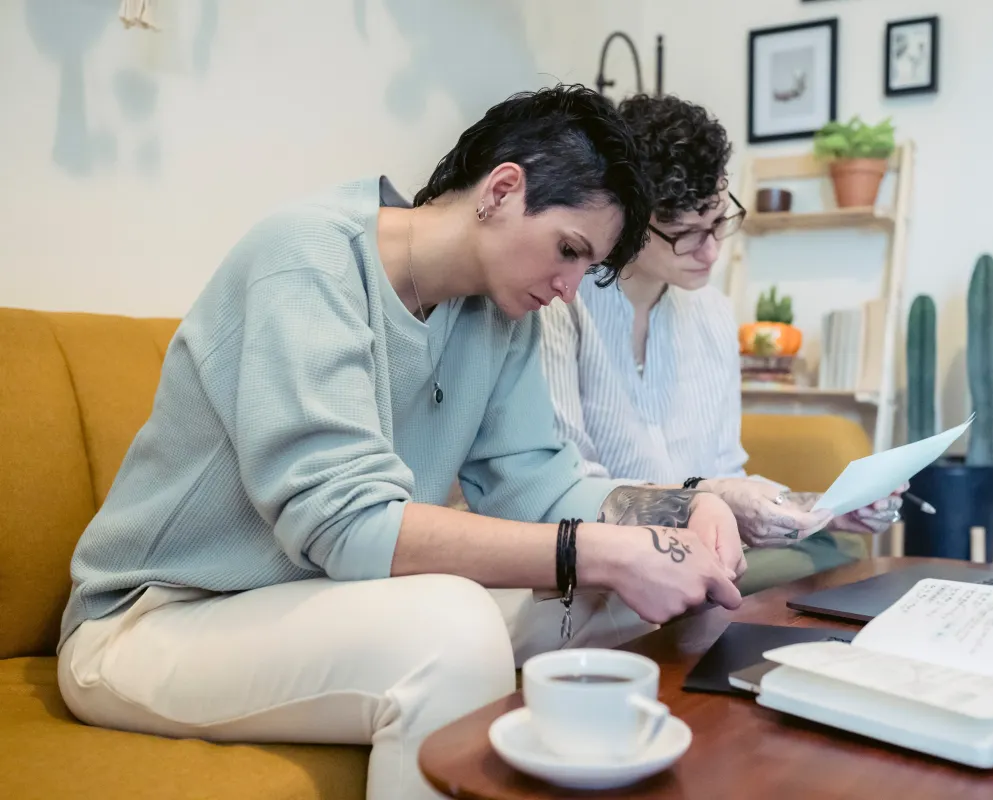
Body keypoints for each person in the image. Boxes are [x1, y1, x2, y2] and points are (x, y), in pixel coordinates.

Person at [56, 85, 749, 800]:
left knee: (630, 596)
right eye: (568, 250)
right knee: (452, 629)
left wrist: (685, 507)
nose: (570, 288)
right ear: (502, 189)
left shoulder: (502, 318)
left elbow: (543, 491)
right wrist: (595, 549)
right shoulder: (307, 257)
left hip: (326, 602)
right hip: (152, 624)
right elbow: (345, 525)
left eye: (587, 267)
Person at [539, 93, 903, 594]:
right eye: (685, 233)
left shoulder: (711, 312)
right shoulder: (560, 303)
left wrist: (822, 508)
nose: (710, 250)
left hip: (710, 550)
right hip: (615, 560)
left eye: (718, 221)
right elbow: (567, 492)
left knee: (835, 553)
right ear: (624, 221)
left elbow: (727, 473)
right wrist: (712, 504)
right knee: (810, 575)